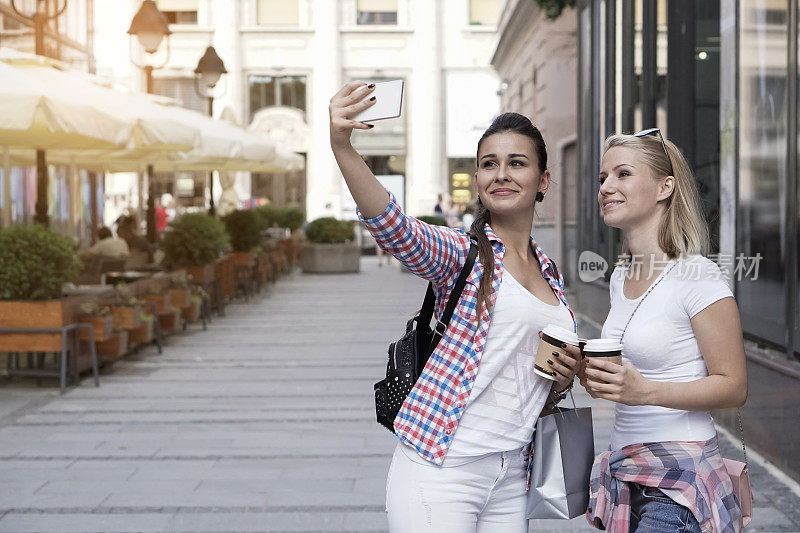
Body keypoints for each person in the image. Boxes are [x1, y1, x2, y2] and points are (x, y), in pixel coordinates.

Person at [330, 80, 582, 531]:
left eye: (516, 163)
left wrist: (562, 379)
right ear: (479, 180)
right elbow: (395, 228)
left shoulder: (550, 272)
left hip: (512, 473)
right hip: (441, 468)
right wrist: (342, 147)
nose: (501, 173)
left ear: (543, 180)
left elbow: (527, 371)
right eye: (489, 164)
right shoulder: (461, 254)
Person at [580, 129, 747, 532]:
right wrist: (595, 377)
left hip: (678, 485)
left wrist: (646, 392)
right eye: (603, 178)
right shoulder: (622, 274)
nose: (607, 187)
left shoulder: (697, 276)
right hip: (626, 471)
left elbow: (734, 386)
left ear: (664, 187)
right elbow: (634, 371)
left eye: (622, 174)